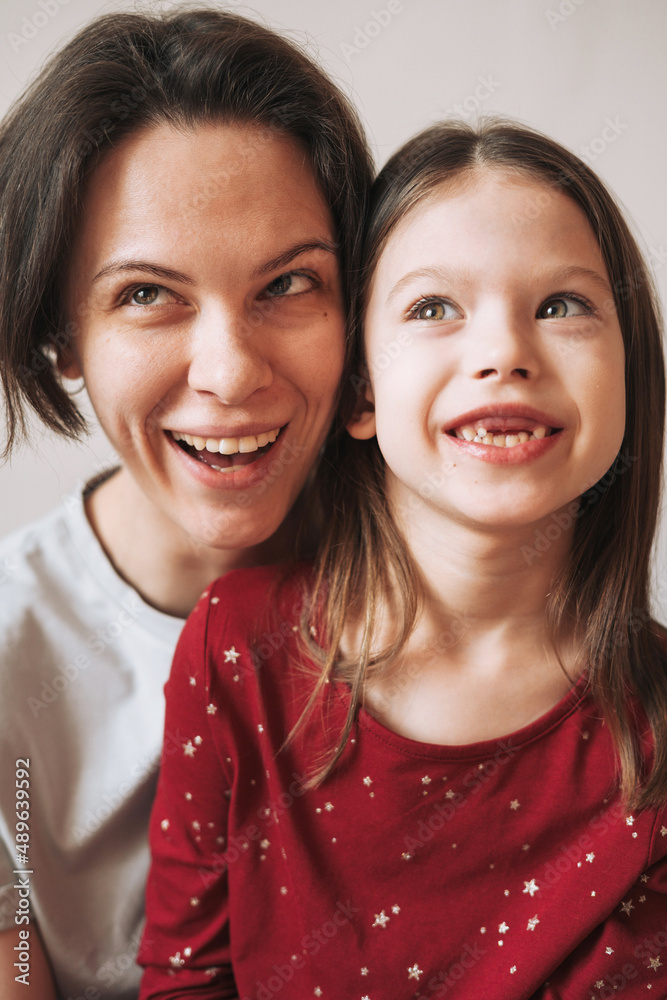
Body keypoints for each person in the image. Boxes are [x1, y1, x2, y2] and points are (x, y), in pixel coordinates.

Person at [138, 118, 667, 999]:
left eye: (561, 306)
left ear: (630, 377)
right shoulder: (236, 647)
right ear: (358, 393)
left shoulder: (652, 723)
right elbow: (183, 980)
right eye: (431, 309)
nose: (503, 354)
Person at [0, 7, 373, 998]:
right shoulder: (7, 660)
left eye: (289, 282)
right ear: (59, 334)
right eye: (146, 294)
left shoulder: (471, 593)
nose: (231, 371)